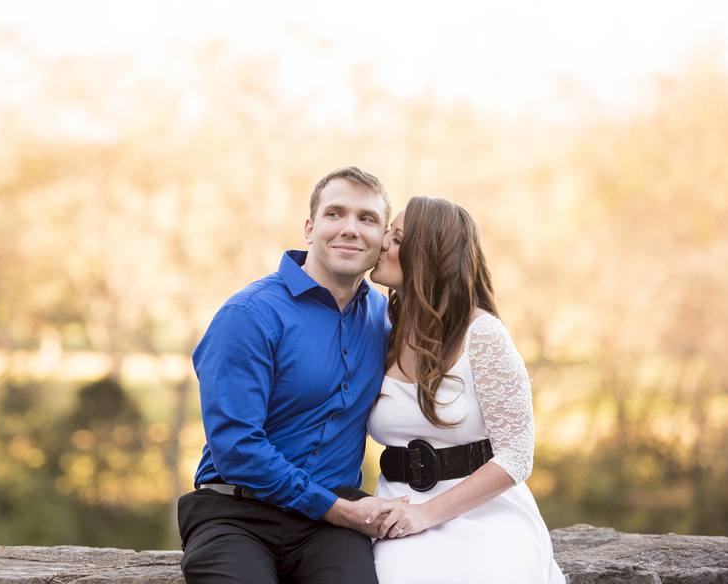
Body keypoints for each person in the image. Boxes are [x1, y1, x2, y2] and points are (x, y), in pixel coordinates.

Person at [178, 166, 408, 584]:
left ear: (384, 240)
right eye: (335, 214)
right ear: (309, 228)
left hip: (331, 529)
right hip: (236, 514)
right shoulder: (248, 315)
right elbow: (236, 446)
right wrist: (336, 508)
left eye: (367, 219)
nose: (350, 229)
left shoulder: (386, 320)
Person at [367, 196, 565, 583]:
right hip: (397, 508)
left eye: (397, 239)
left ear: (428, 255)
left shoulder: (483, 334)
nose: (381, 244)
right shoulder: (380, 331)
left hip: (486, 512)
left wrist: (427, 513)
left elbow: (517, 456)